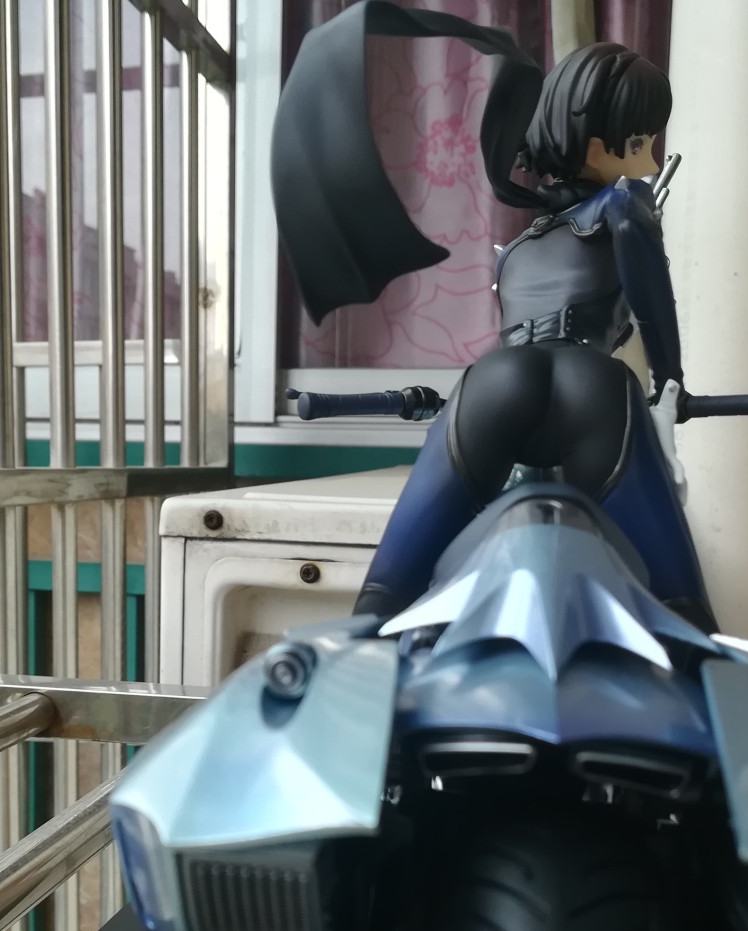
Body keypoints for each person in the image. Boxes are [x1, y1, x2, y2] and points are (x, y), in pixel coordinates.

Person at [272, 7, 716, 630]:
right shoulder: (624, 203)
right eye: (640, 144)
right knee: (683, 609)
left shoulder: (523, 244)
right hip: (592, 389)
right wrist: (671, 385)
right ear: (597, 145)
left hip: (496, 383)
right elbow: (651, 299)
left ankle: (354, 647)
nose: (647, 163)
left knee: (384, 595)